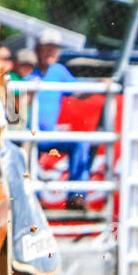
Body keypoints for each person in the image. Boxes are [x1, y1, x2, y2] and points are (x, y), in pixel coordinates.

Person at [27, 28, 87, 207]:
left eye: (54, 48)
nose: (51, 51)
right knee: (26, 149)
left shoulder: (58, 71)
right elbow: (13, 101)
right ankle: (33, 199)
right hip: (27, 135)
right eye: (47, 47)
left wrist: (100, 85)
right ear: (38, 49)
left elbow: (78, 92)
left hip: (48, 135)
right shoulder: (27, 70)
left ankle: (77, 197)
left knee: (80, 142)